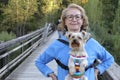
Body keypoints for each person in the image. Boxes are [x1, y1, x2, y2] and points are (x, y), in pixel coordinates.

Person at [35, 3, 114, 80]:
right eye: (70, 17)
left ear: (82, 21)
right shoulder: (57, 44)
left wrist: (97, 70)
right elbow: (39, 62)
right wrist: (51, 74)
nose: (74, 19)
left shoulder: (92, 43)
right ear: (64, 21)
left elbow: (109, 59)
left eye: (77, 17)